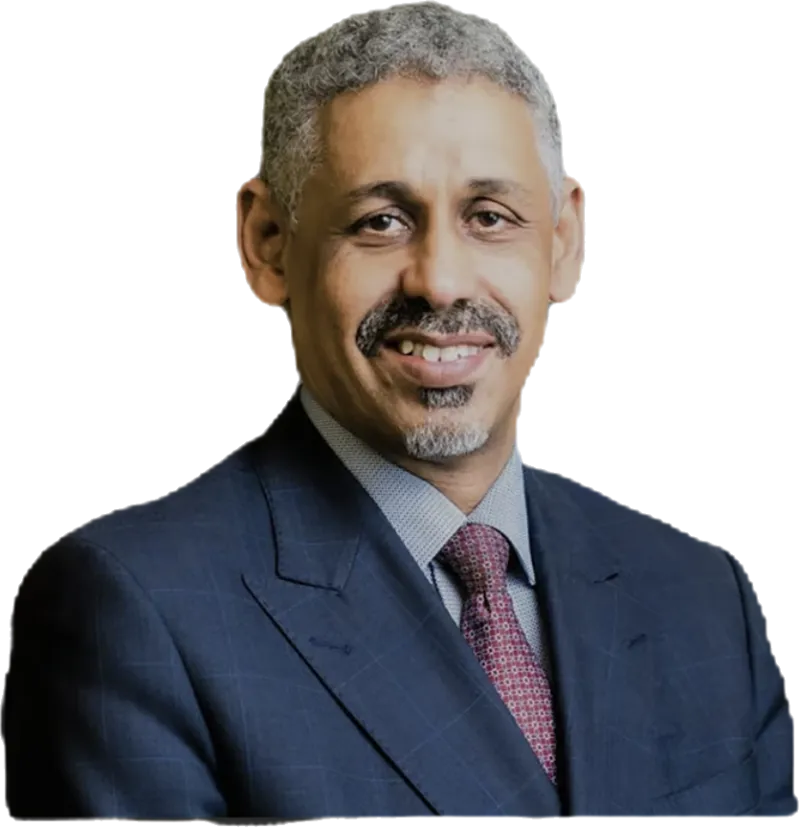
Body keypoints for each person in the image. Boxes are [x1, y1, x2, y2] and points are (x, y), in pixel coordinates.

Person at [5, 0, 796, 820]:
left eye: (489, 217)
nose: (441, 282)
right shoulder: (134, 609)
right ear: (268, 243)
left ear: (564, 242)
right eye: (380, 222)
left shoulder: (703, 596)